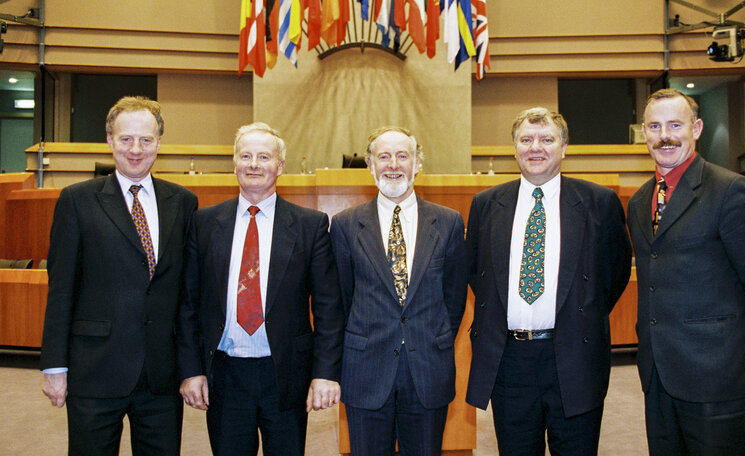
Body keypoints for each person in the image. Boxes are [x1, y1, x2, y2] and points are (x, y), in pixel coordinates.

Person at [465, 108, 632, 456]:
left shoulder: (599, 203)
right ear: (515, 148)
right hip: (509, 362)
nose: (535, 147)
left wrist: (578, 313)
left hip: (575, 356)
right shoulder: (486, 205)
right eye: (526, 140)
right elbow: (477, 273)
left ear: (564, 146)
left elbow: (612, 276)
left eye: (546, 139)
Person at [40, 96, 198, 455]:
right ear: (109, 140)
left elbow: (188, 293)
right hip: (95, 368)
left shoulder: (184, 202)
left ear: (159, 142)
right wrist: (54, 363)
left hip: (161, 373)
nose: (136, 149)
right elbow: (61, 288)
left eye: (146, 140)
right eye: (126, 139)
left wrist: (191, 367)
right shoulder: (77, 201)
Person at [176, 122, 344, 456]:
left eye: (264, 156)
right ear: (235, 163)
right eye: (246, 156)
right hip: (224, 372)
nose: (254, 164)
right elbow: (188, 303)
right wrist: (191, 370)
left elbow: (328, 308)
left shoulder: (309, 226)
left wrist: (325, 373)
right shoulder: (204, 223)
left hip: (285, 373)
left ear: (280, 166)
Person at [627, 88, 745, 455]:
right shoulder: (640, 201)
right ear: (644, 133)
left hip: (718, 373)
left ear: (697, 128)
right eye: (655, 126)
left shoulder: (731, 190)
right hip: (658, 373)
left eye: (675, 124)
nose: (665, 135)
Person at [330, 126, 468, 456]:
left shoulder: (448, 223)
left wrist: (431, 335)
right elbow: (342, 299)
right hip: (366, 369)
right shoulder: (346, 225)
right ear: (370, 164)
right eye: (384, 156)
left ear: (417, 163)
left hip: (428, 369)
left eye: (402, 155)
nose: (393, 164)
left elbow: (454, 297)